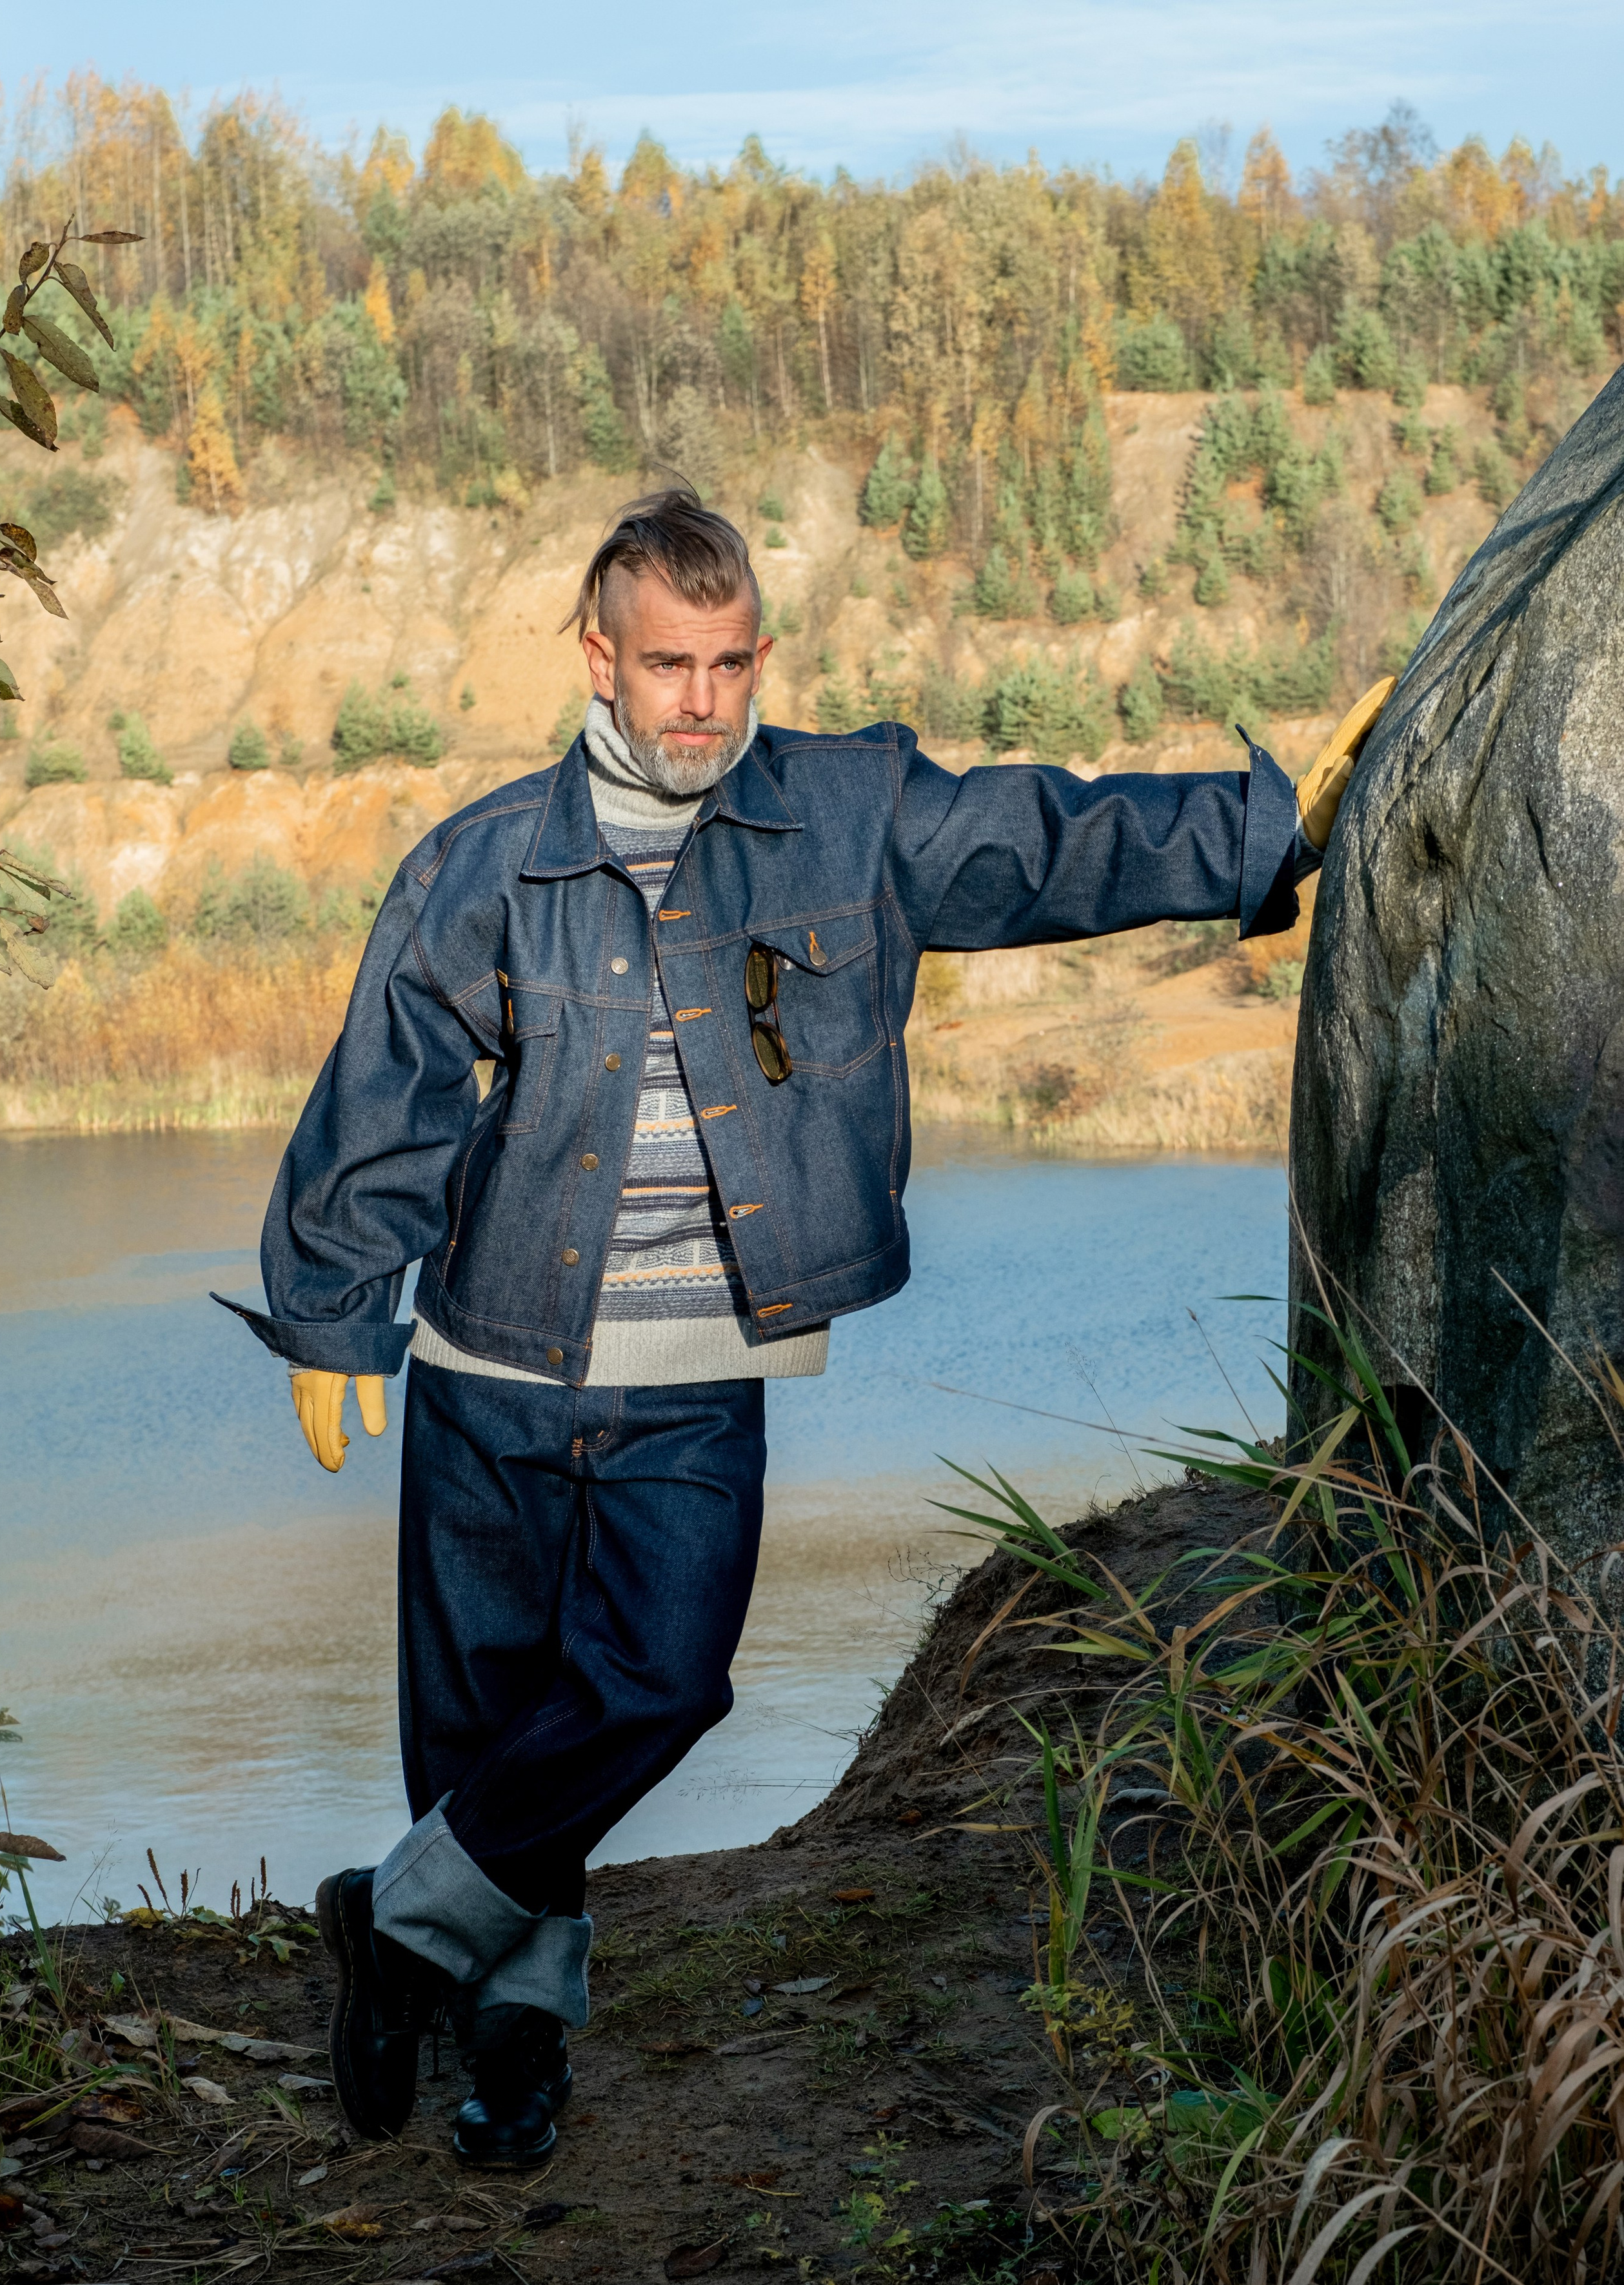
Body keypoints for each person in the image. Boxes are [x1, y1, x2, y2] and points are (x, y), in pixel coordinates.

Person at [217, 486, 1391, 2165]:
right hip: (491, 1364)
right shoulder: (485, 861)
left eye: (728, 663)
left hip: (700, 1375)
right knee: (488, 1725)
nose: (701, 700)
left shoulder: (853, 816)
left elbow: (1053, 836)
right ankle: (516, 2033)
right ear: (599, 659)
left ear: (761, 655)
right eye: (666, 664)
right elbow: (387, 1084)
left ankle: (399, 1919)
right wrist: (336, 1311)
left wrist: (1269, 827)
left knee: (658, 1684)